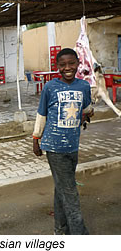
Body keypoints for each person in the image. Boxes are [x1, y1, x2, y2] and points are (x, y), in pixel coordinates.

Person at [32, 48, 94, 235]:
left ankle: (60, 230)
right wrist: (36, 138)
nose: (67, 68)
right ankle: (79, 235)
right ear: (57, 66)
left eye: (71, 63)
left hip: (72, 146)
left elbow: (87, 107)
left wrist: (88, 114)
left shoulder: (83, 86)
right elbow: (41, 113)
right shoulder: (50, 87)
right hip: (54, 146)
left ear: (77, 64)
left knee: (62, 189)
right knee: (70, 192)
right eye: (62, 64)